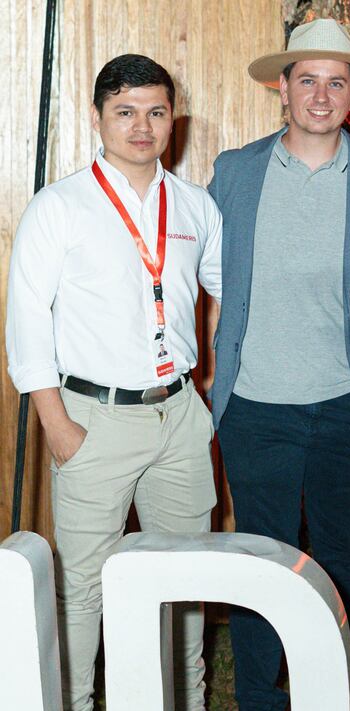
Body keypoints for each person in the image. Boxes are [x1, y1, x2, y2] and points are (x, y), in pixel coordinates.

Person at [207, 18, 350, 711]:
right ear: (283, 87)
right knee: (261, 562)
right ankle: (263, 702)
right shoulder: (234, 173)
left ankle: (345, 696)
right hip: (255, 406)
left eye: (336, 81)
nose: (321, 95)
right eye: (308, 80)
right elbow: (204, 279)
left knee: (342, 555)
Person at [5, 55, 221, 711]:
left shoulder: (195, 206)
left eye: (156, 112)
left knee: (185, 582)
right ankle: (73, 700)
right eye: (125, 111)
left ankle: (182, 700)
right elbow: (24, 322)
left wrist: (204, 386)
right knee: (83, 588)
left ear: (172, 120)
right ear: (97, 116)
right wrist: (56, 424)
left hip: (179, 417)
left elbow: (221, 295)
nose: (141, 126)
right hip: (90, 418)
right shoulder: (60, 206)